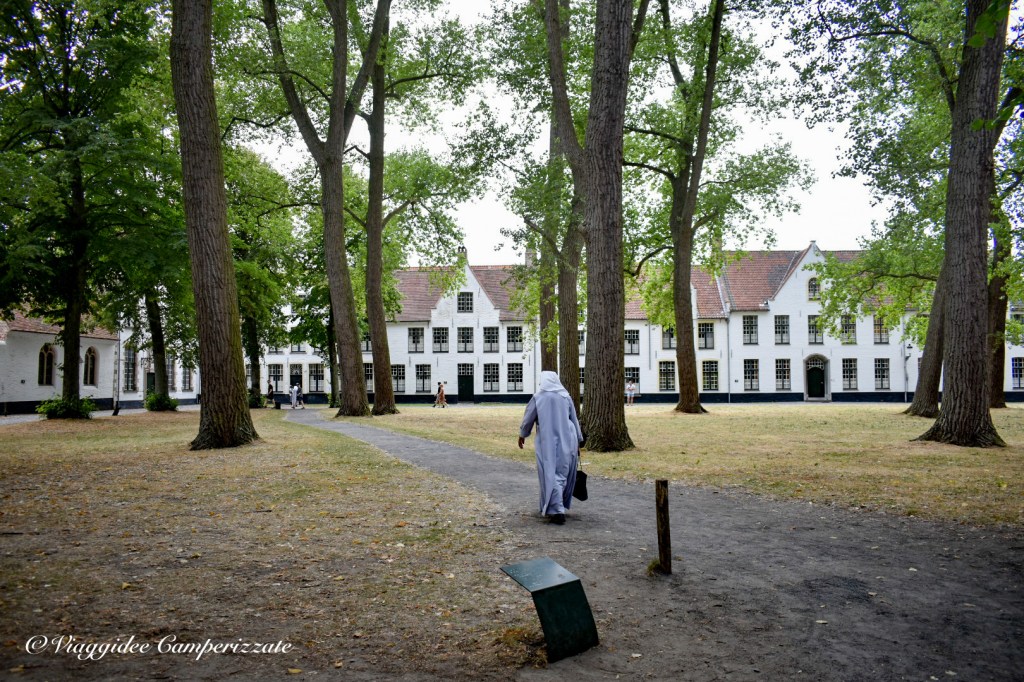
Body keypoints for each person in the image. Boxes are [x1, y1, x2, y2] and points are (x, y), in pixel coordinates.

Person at [517, 371, 583, 525]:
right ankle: (555, 505)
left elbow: (528, 419)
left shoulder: (538, 397)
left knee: (550, 472)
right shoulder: (565, 396)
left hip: (547, 441)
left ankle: (556, 510)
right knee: (562, 472)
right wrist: (579, 439)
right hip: (567, 438)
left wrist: (522, 434)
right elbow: (574, 419)